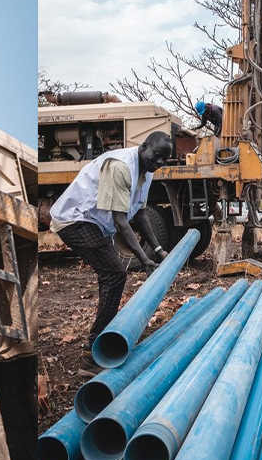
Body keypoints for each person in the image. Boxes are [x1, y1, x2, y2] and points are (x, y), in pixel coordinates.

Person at [49, 132, 172, 373]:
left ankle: (101, 341)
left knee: (110, 276)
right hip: (76, 219)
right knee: (115, 275)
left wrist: (158, 250)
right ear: (144, 146)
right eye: (157, 156)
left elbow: (139, 213)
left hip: (94, 223)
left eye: (164, 160)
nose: (159, 163)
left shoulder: (146, 174)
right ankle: (93, 354)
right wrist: (144, 259)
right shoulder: (121, 167)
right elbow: (120, 221)